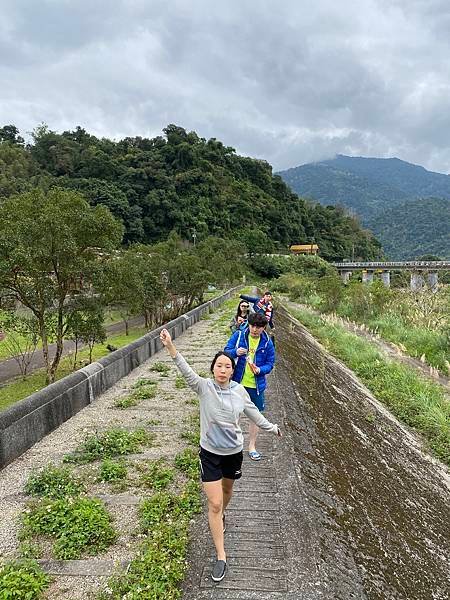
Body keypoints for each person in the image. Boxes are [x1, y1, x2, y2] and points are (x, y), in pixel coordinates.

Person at [159, 328, 281, 583]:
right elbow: (183, 367)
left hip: (233, 453)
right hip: (210, 454)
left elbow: (253, 414)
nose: (223, 369)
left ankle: (222, 514)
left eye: (227, 366)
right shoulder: (203, 387)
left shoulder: (239, 391)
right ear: (213, 369)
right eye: (219, 365)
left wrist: (271, 427)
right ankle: (221, 555)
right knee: (214, 504)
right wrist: (170, 345)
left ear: (232, 369)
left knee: (227, 494)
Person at [224, 312, 275, 461]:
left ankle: (252, 446)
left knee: (255, 416)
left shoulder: (267, 343)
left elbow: (270, 364)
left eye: (259, 327)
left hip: (256, 386)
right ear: (249, 324)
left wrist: (260, 370)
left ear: (264, 327)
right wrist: (235, 352)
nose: (255, 329)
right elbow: (226, 351)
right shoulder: (239, 336)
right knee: (235, 414)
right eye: (253, 326)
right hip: (237, 384)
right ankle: (234, 445)